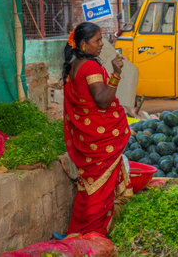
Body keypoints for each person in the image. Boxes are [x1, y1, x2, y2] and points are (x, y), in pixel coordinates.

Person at [62, 22, 133, 236]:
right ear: (83, 44)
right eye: (97, 40)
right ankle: (93, 236)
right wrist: (117, 73)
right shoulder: (90, 67)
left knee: (90, 189)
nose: (102, 44)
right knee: (98, 193)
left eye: (102, 39)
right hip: (99, 140)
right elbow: (102, 101)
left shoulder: (75, 65)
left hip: (89, 140)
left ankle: (80, 233)